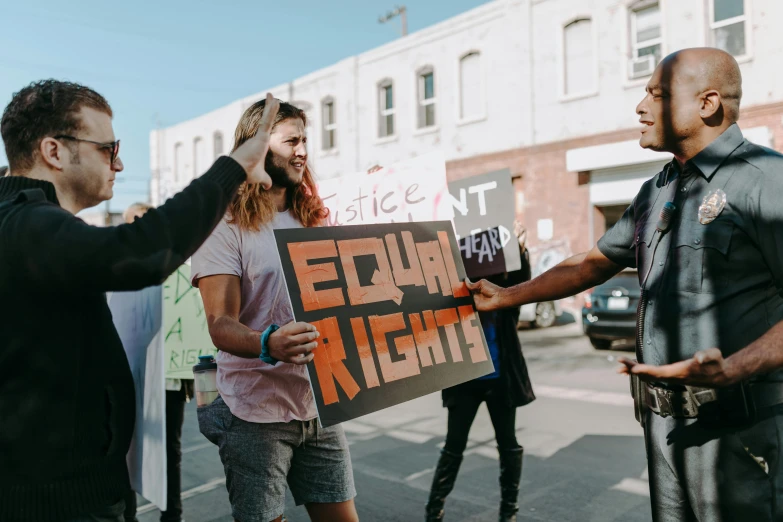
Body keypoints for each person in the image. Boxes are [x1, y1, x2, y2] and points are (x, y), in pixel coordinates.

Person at [466, 47, 783, 521]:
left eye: (657, 94)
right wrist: (507, 295)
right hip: (662, 428)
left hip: (740, 429)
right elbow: (592, 264)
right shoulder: (657, 189)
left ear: (708, 103)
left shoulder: (767, 181)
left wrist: (737, 366)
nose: (640, 107)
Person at [0, 79, 280, 522]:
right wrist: (233, 168)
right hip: (57, 503)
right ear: (53, 151)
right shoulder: (28, 225)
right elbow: (137, 254)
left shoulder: (23, 225)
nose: (120, 162)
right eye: (107, 149)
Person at [192, 99, 359, 522]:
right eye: (291, 141)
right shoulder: (224, 225)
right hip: (254, 413)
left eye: (305, 140)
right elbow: (220, 324)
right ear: (259, 148)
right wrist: (268, 342)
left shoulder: (319, 217)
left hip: (319, 403)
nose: (303, 150)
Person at [426, 221, 535, 522]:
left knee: (508, 446)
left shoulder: (504, 292)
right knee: (453, 447)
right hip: (464, 378)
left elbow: (522, 283)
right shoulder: (456, 287)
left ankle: (508, 513)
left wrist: (520, 249)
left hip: (501, 379)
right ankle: (434, 511)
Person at [121, 201, 194, 522]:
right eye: (134, 222)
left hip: (170, 379)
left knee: (170, 451)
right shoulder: (120, 271)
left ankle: (172, 515)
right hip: (129, 380)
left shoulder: (176, 270)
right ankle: (128, 515)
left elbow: (192, 323)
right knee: (125, 452)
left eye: (145, 221)